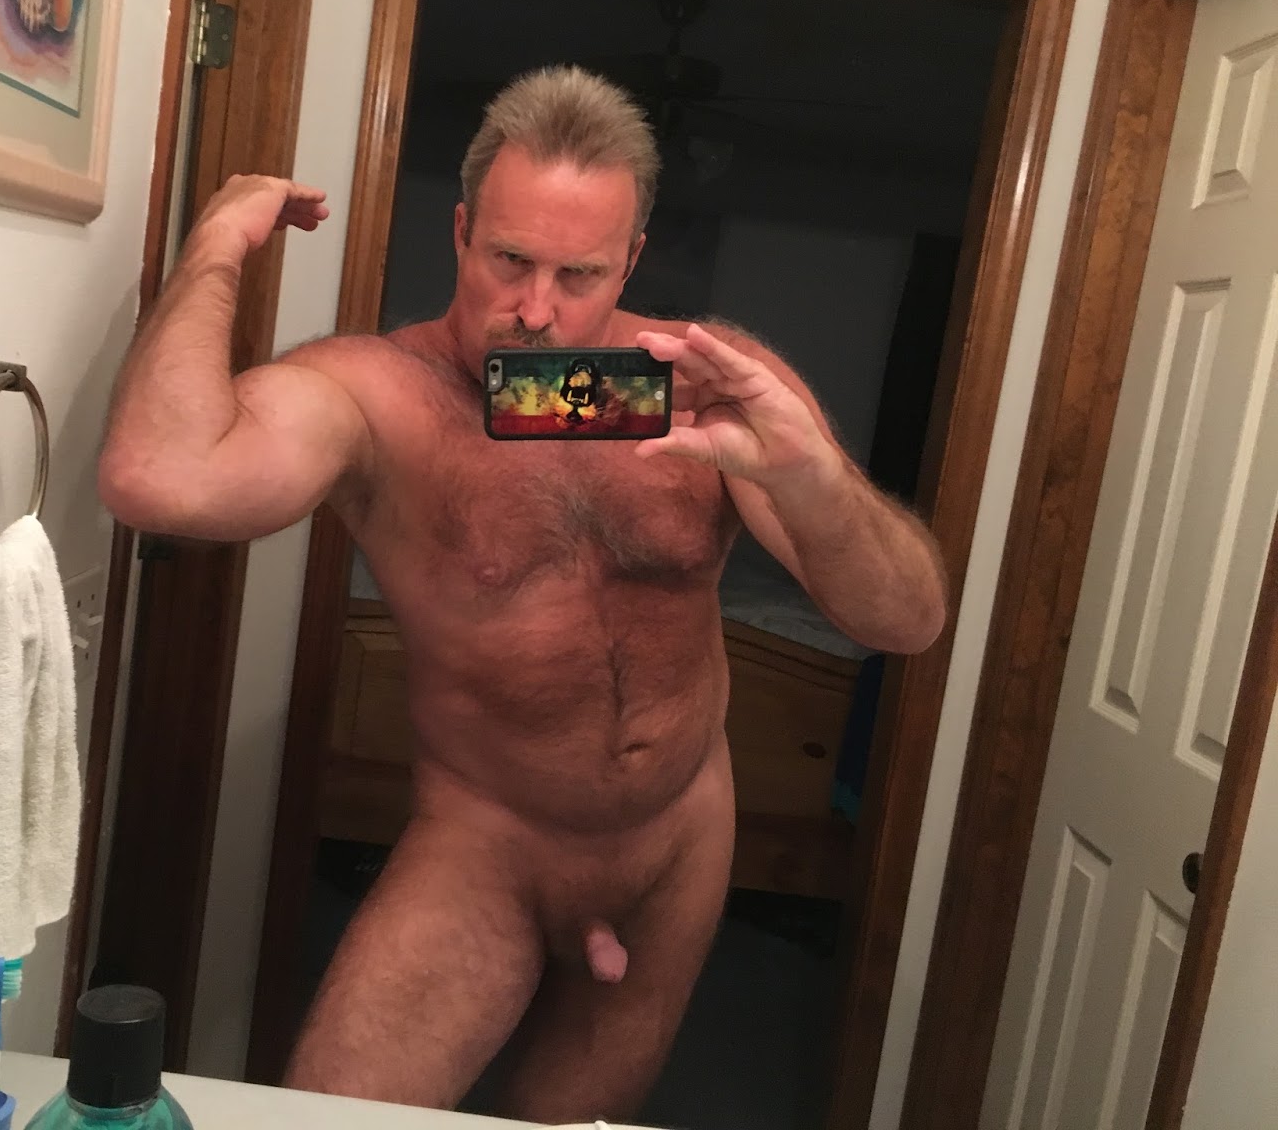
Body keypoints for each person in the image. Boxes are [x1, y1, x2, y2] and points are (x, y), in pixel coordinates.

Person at [99, 65, 947, 1122]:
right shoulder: (381, 395)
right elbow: (158, 477)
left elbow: (907, 619)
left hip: (676, 840)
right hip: (487, 843)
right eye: (510, 260)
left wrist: (813, 477)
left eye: (579, 275)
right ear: (462, 232)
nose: (537, 312)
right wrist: (218, 245)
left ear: (630, 259)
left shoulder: (699, 382)